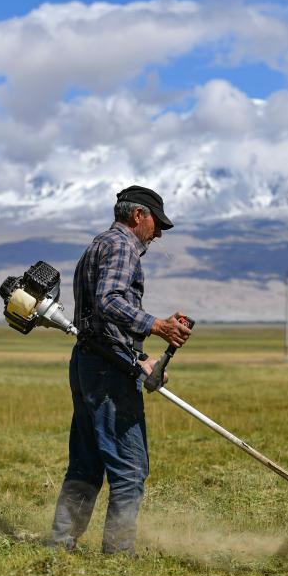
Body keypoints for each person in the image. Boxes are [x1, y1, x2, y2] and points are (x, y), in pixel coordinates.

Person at [49, 185, 192, 555]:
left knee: (86, 462)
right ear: (138, 216)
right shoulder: (122, 246)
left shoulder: (98, 244)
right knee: (129, 468)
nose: (158, 234)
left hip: (90, 363)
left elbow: (100, 317)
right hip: (107, 373)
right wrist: (156, 326)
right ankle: (117, 555)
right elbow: (109, 300)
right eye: (157, 224)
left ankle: (61, 544)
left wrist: (142, 359)